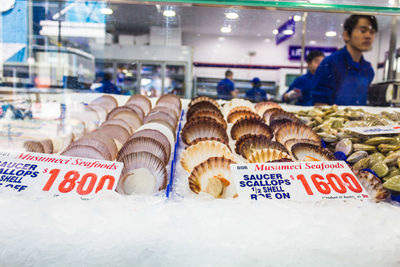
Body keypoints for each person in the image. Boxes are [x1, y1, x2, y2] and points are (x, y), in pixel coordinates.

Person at [307, 15, 378, 106]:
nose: (368, 36)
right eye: (362, 31)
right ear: (346, 35)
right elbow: (319, 103)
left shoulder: (368, 69)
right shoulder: (330, 64)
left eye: (372, 32)